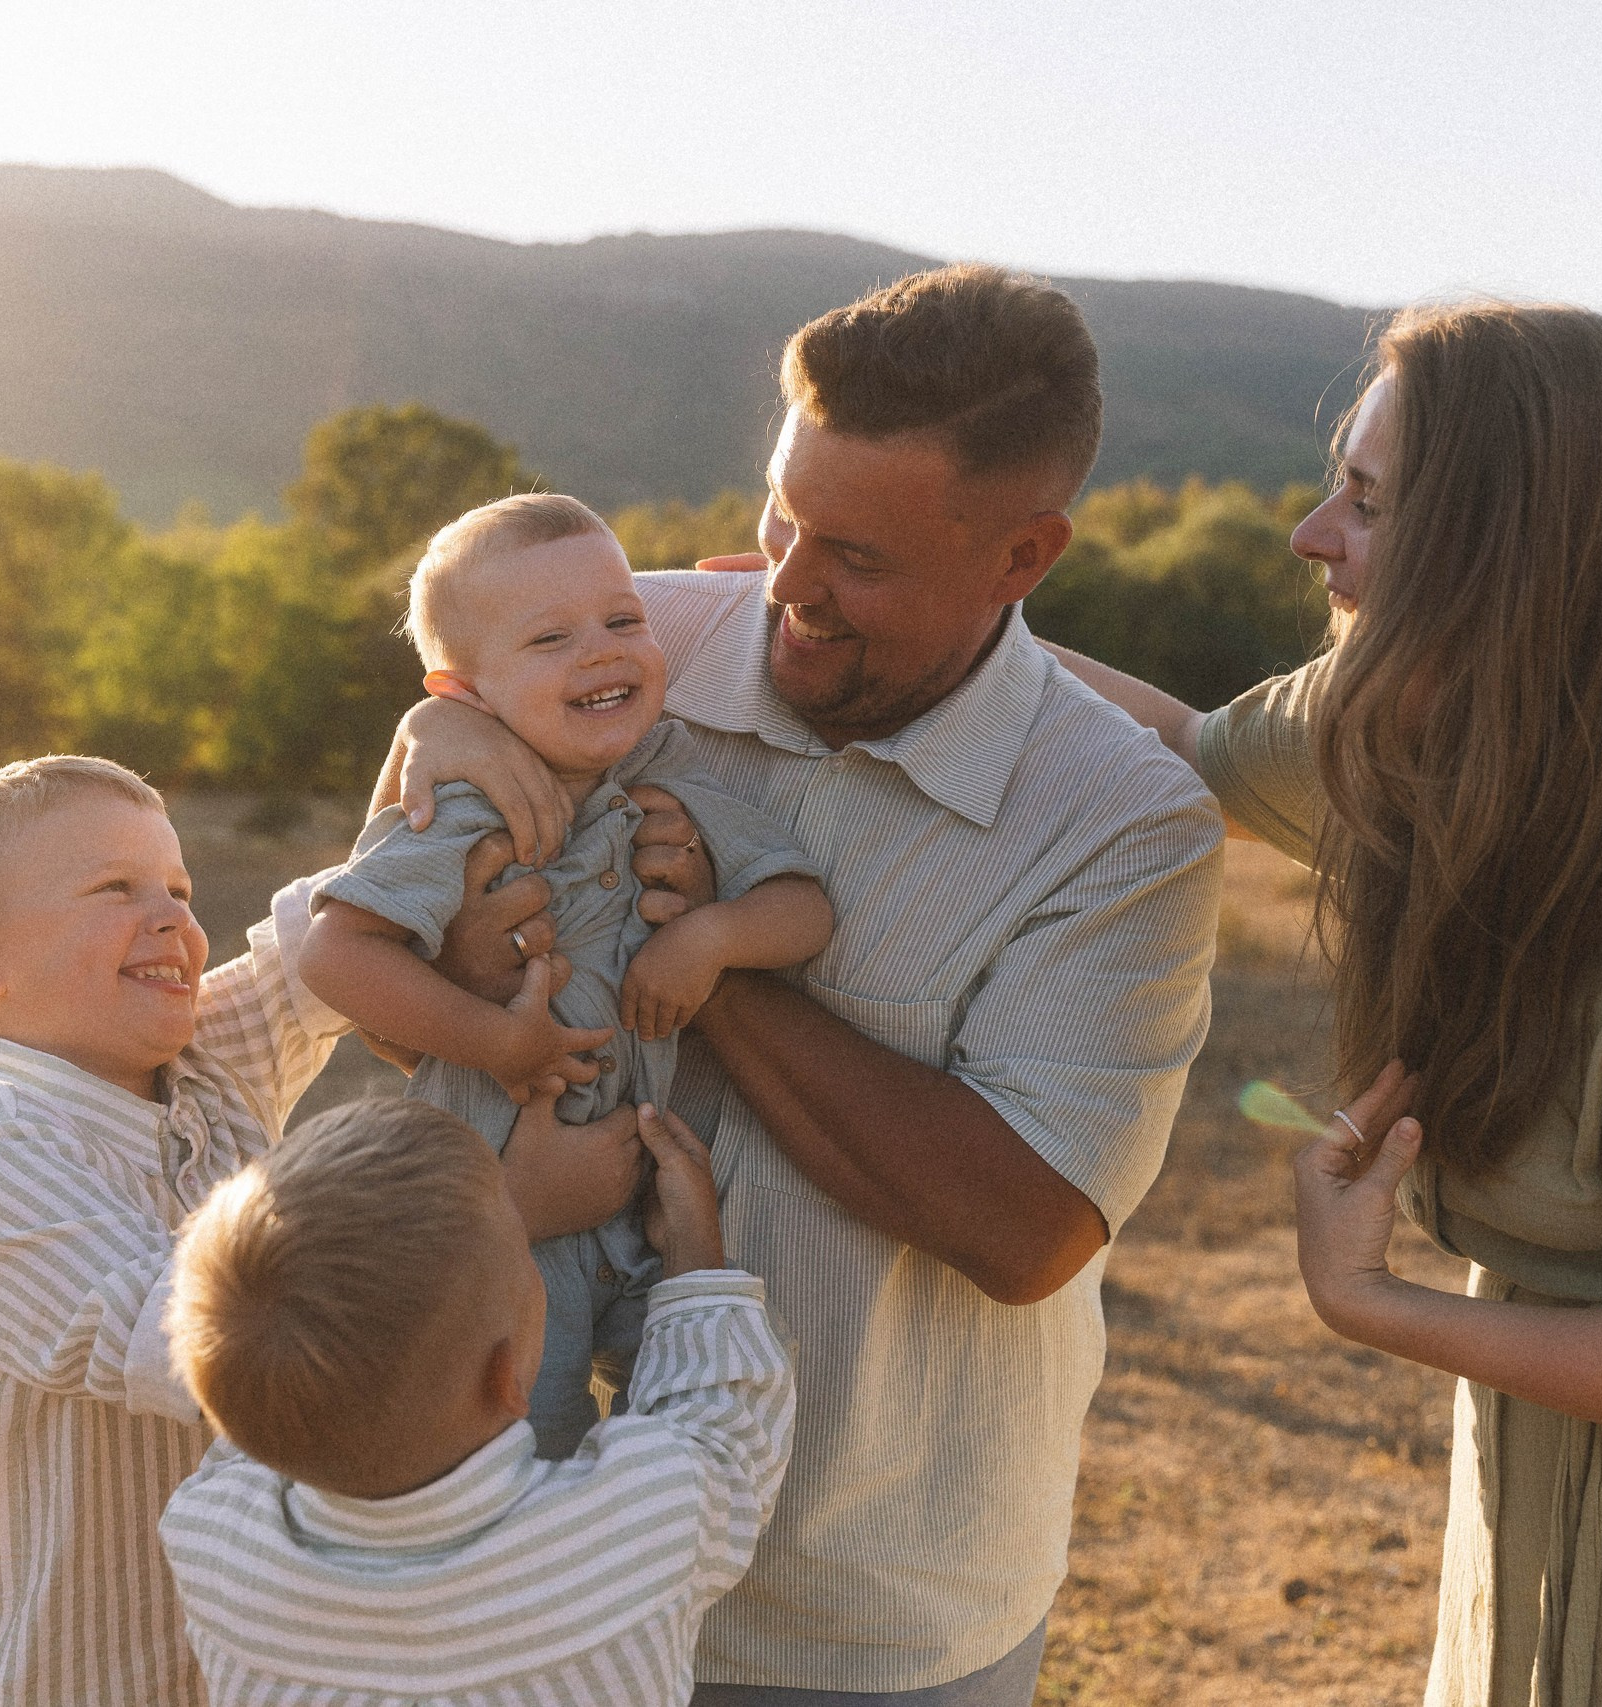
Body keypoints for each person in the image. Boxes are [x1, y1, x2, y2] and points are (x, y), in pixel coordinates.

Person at [1060, 302, 1602, 1704]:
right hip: (1540, 1509)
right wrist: (841, 616)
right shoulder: (1434, 718)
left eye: (1368, 497)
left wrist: (1374, 1302)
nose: (1309, 534)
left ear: (1514, 548)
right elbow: (1183, 752)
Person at [380, 264, 1225, 1702]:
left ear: (1024, 557)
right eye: (783, 515)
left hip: (859, 1605)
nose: (784, 583)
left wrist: (707, 962)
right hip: (526, 1540)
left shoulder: (1120, 823)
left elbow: (1027, 1227)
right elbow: (407, 914)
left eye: (859, 558)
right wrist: (436, 734)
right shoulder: (617, 641)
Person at [301, 492, 832, 1458]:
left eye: (624, 621)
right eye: (550, 638)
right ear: (464, 695)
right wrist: (497, 1038)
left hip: (649, 1200)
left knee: (701, 1427)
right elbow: (336, 951)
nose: (600, 650)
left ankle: (646, 1591)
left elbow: (805, 912)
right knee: (516, 1450)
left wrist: (710, 936)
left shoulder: (673, 781)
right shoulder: (459, 813)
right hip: (503, 1212)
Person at [0, 755, 352, 1704]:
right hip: (29, 1674)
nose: (174, 920)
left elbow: (345, 934)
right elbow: (201, 1349)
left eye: (178, 887)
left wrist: (439, 749)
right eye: (115, 889)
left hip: (200, 1666)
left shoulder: (203, 1067)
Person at [158, 1095, 794, 1706]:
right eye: (526, 1247)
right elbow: (724, 1439)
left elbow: (260, 1408)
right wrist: (695, 1254)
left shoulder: (216, 1550)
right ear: (507, 1378)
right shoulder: (618, 1541)